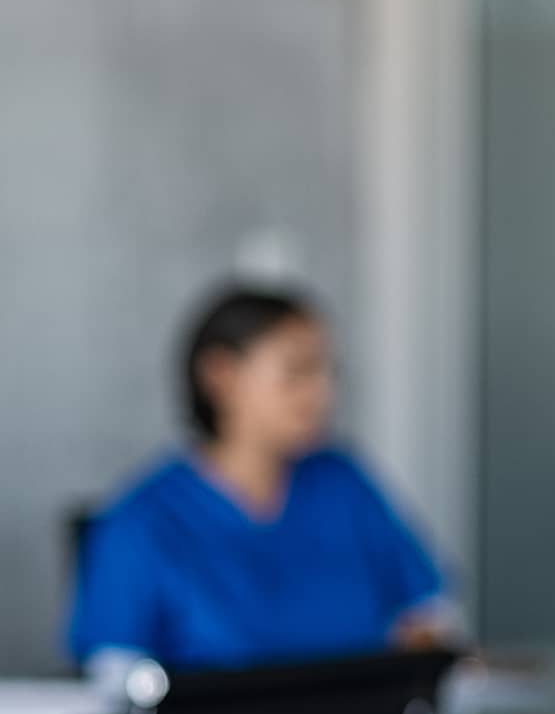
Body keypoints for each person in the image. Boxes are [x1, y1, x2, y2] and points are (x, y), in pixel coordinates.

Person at [67, 286, 455, 686]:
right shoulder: (140, 523)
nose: (323, 393)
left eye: (327, 372)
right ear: (221, 375)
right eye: (297, 372)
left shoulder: (344, 486)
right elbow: (116, 682)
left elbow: (425, 615)